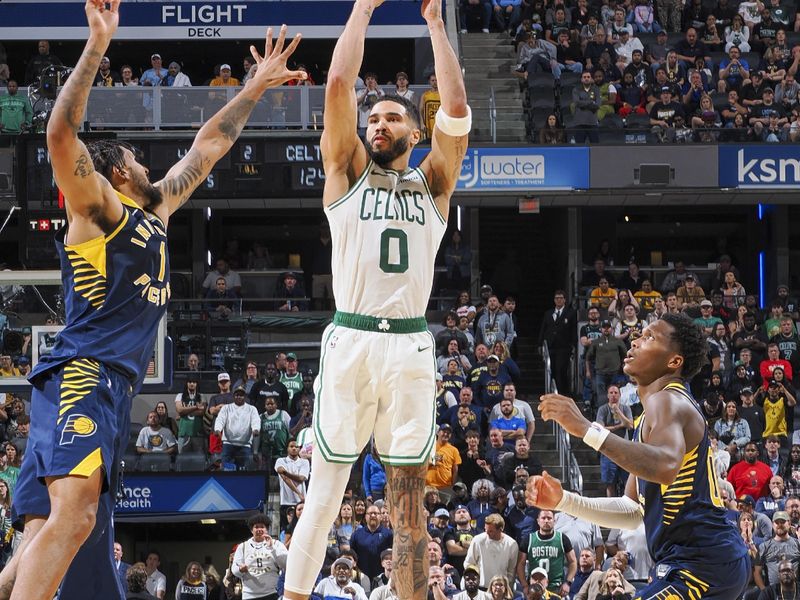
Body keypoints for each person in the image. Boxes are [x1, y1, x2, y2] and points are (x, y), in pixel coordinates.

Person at [3, 6, 306, 600]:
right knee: (75, 518)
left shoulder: (157, 210)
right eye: (138, 158)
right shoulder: (99, 213)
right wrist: (97, 43)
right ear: (116, 172)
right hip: (83, 374)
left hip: (102, 385)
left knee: (44, 532)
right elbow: (61, 136)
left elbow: (210, 144)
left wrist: (254, 86)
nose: (149, 163)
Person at [283, 0, 469, 596]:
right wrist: (362, 9)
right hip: (352, 336)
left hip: (411, 344)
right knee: (325, 491)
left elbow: (458, 109)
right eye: (374, 119)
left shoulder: (434, 183)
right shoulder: (344, 170)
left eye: (392, 118)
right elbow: (338, 81)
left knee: (408, 501)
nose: (379, 125)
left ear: (416, 131)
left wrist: (436, 27)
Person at [526, 313, 750, 599]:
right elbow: (632, 511)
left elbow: (665, 466)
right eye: (638, 335)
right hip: (708, 561)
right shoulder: (651, 416)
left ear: (674, 361)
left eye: (649, 337)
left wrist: (586, 430)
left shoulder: (668, 399)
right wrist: (565, 501)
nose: (635, 340)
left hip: (702, 563)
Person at [232, 514, 288, 600]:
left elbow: (285, 564)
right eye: (256, 527)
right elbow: (234, 570)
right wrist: (240, 569)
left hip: (272, 593)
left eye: (262, 527)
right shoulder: (242, 547)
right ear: (251, 530)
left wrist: (272, 548)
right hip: (249, 595)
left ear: (267, 529)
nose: (259, 529)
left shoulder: (277, 544)